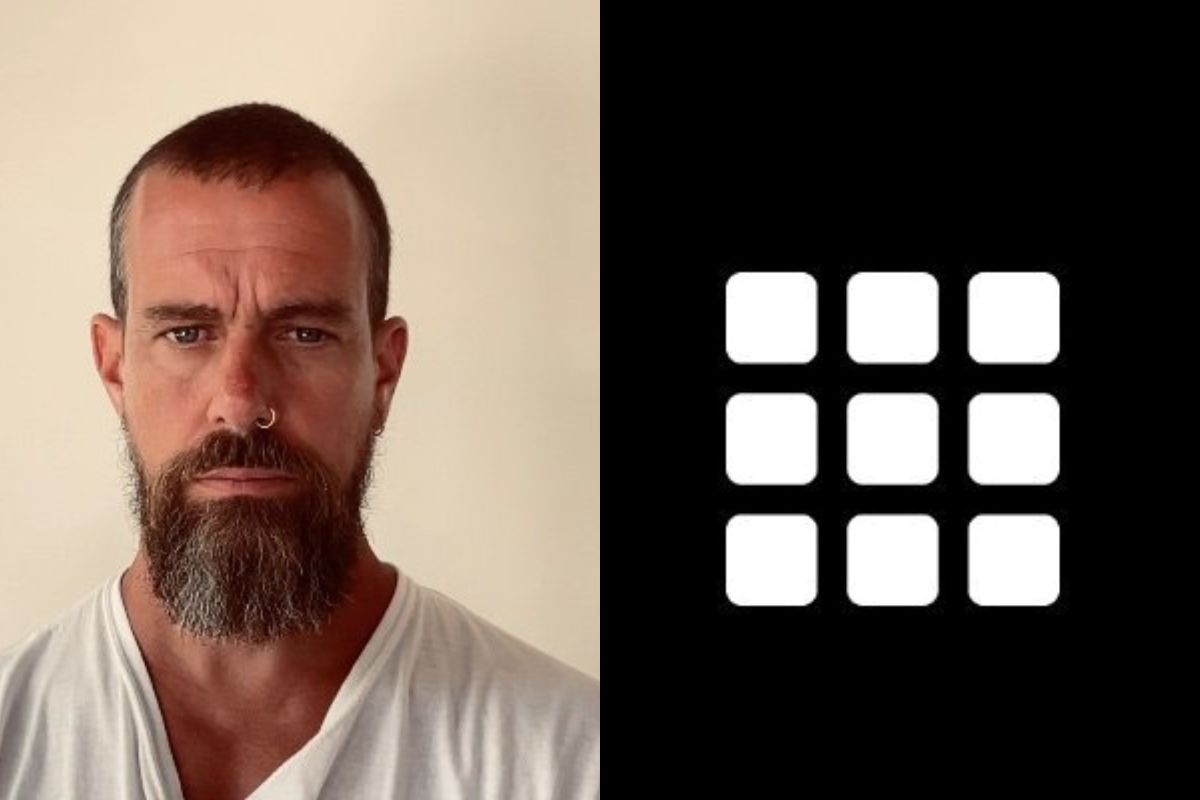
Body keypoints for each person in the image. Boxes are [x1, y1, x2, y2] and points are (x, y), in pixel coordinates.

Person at [0, 102, 599, 799]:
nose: (240, 401)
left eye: (304, 334)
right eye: (186, 334)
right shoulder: (15, 738)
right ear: (114, 368)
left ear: (383, 371)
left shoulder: (568, 759)